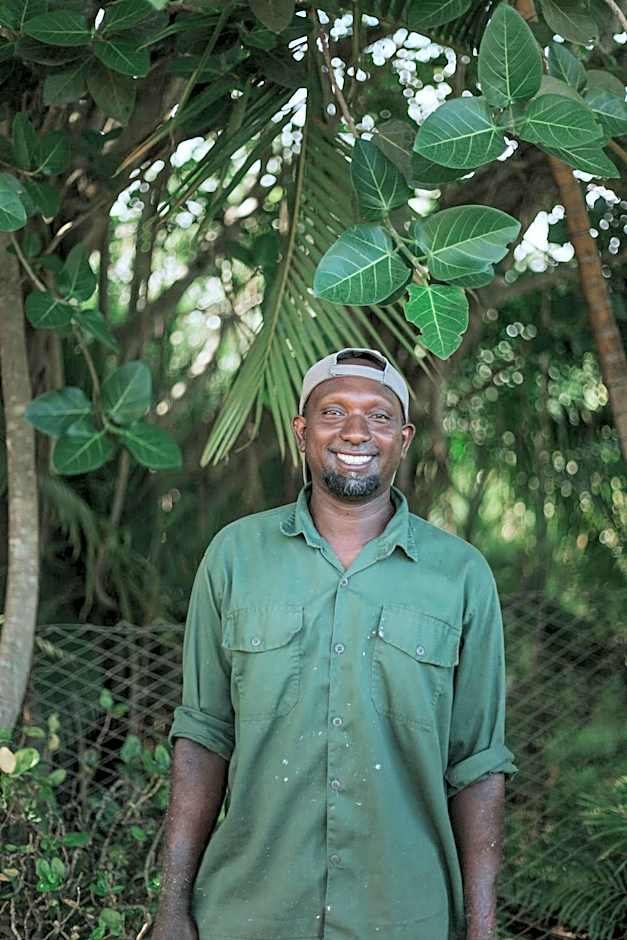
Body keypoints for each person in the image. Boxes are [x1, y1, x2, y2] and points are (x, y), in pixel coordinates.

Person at [152, 347, 517, 940]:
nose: (355, 430)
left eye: (377, 415)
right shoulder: (235, 557)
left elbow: (476, 766)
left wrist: (481, 931)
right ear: (302, 432)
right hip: (247, 914)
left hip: (405, 917)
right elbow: (203, 737)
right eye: (333, 411)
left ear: (403, 437)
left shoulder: (461, 575)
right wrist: (171, 910)